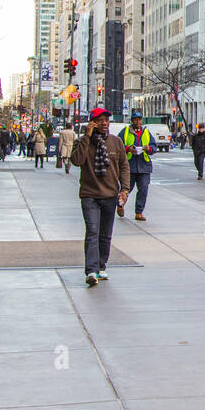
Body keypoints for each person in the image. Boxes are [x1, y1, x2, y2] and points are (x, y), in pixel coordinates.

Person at [70, 107, 129, 286]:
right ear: (92, 123)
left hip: (110, 195)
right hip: (89, 195)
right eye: (99, 120)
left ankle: (101, 266)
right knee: (92, 231)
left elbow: (123, 166)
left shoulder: (116, 142)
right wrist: (87, 137)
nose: (104, 123)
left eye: (106, 120)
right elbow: (77, 160)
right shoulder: (83, 142)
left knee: (105, 234)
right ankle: (91, 271)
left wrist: (125, 189)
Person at [120, 110, 154, 220]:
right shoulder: (125, 131)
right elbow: (118, 144)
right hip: (129, 166)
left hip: (144, 167)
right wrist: (128, 149)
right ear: (132, 121)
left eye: (139, 119)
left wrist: (149, 148)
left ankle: (139, 212)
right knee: (126, 189)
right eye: (135, 119)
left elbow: (154, 147)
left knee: (143, 190)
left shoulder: (146, 132)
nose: (138, 122)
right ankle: (120, 205)